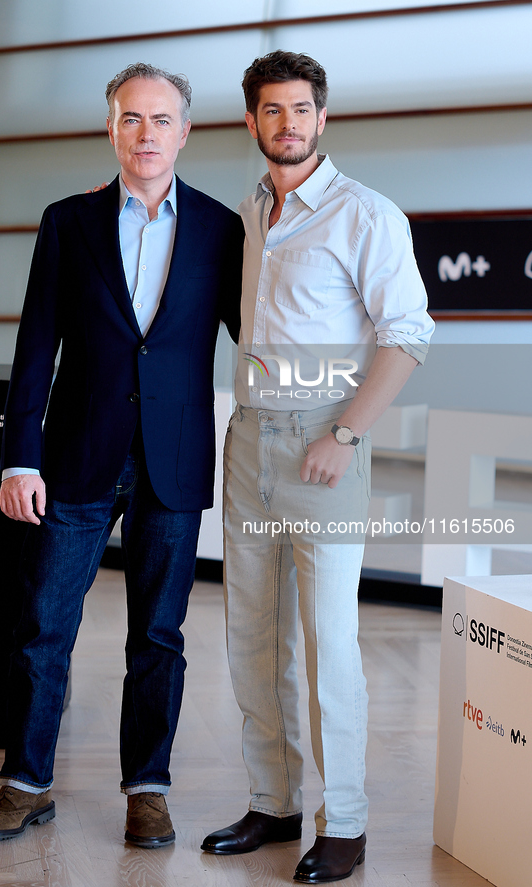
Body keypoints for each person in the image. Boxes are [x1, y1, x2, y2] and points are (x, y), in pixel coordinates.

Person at [0, 63, 243, 848]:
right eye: (131, 119)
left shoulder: (223, 230)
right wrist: (19, 457)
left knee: (158, 635)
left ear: (184, 132)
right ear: (111, 128)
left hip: (174, 461)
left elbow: (252, 334)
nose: (146, 134)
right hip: (73, 458)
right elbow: (34, 350)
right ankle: (25, 783)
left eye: (161, 120)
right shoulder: (67, 222)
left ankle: (147, 786)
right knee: (42, 625)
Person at [201, 51, 434, 882]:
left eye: (300, 109)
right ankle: (274, 802)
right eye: (271, 110)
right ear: (253, 122)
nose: (287, 124)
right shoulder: (248, 213)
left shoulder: (366, 214)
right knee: (251, 638)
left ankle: (347, 821)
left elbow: (407, 333)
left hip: (325, 444)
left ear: (321, 118)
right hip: (250, 442)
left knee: (328, 642)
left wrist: (345, 434)